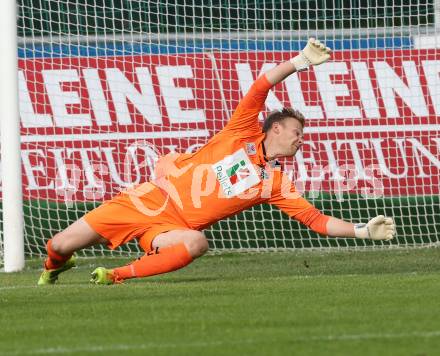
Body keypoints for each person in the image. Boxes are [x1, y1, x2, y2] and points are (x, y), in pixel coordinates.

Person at [38, 38, 396, 285]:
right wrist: (299, 62)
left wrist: (362, 230)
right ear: (272, 130)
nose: (301, 139)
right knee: (58, 245)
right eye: (295, 132)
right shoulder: (240, 132)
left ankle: (114, 275)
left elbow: (316, 220)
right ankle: (54, 269)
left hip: (169, 229)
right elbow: (259, 88)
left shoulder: (276, 183)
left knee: (197, 243)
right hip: (145, 202)